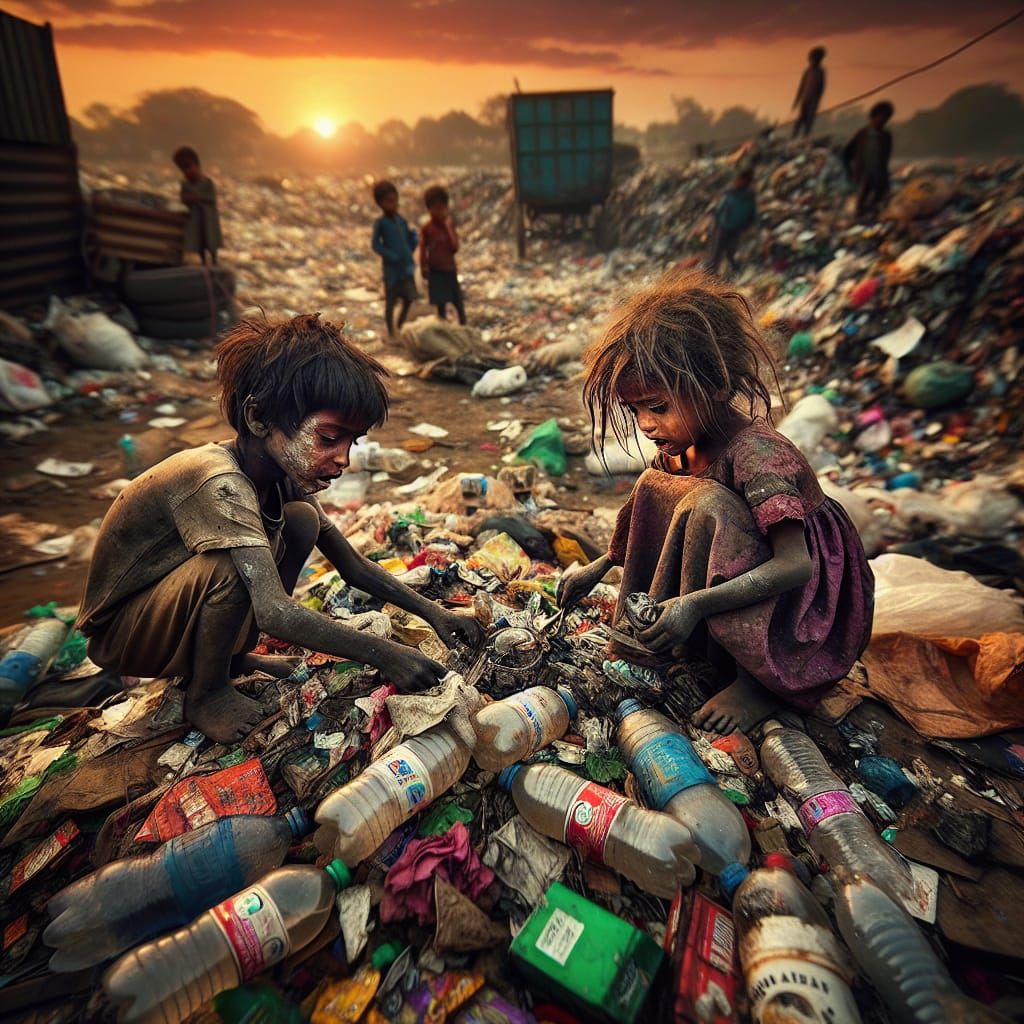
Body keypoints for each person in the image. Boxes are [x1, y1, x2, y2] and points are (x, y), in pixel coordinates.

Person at [76, 313, 482, 744]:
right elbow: (272, 611)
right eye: (328, 439)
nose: (343, 459)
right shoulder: (218, 480)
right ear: (258, 419)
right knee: (233, 569)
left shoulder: (278, 472)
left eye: (351, 443)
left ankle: (231, 659)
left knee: (302, 522)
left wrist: (436, 613)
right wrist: (385, 655)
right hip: (123, 635)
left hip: (169, 612)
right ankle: (207, 691)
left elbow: (353, 565)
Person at [556, 271, 874, 734]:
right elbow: (650, 504)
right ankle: (678, 643)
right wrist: (599, 566)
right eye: (636, 411)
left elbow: (795, 566)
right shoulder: (683, 444)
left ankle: (757, 685)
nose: (645, 424)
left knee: (709, 507)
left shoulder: (757, 453)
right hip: (739, 583)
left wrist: (695, 606)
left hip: (803, 612)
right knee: (654, 484)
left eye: (657, 407)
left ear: (716, 387)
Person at [371, 180, 418, 337]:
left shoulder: (401, 221)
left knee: (409, 298)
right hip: (392, 271)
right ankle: (391, 332)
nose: (393, 204)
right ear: (381, 204)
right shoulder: (381, 223)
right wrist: (390, 255)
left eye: (395, 200)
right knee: (390, 302)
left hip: (405, 268)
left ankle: (401, 324)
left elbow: (408, 242)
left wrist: (414, 241)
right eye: (389, 201)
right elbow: (376, 245)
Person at [419, 185, 466, 325]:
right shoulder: (427, 229)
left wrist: (447, 227)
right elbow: (423, 250)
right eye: (436, 208)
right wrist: (424, 267)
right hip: (436, 271)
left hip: (450, 270)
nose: (439, 211)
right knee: (441, 305)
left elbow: (455, 247)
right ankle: (443, 329)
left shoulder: (449, 227)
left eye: (442, 208)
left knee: (458, 302)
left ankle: (463, 327)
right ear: (429, 209)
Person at [843, 101, 895, 219]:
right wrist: (850, 171)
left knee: (878, 204)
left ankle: (872, 221)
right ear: (874, 116)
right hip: (863, 175)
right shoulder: (861, 135)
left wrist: (886, 177)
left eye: (886, 118)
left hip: (879, 175)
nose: (883, 121)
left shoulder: (886, 136)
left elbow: (885, 159)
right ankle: (860, 219)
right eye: (882, 117)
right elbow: (846, 154)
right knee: (861, 203)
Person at [172, 146, 222, 265]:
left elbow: (212, 199)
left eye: (189, 167)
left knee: (210, 240)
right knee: (199, 241)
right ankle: (203, 261)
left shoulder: (207, 183)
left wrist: (198, 198)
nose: (187, 172)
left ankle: (214, 260)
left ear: (197, 165)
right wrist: (189, 200)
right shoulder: (186, 184)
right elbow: (183, 199)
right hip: (195, 218)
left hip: (208, 218)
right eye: (183, 169)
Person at [707, 169, 757, 277]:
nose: (736, 181)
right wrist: (715, 226)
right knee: (717, 254)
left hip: (733, 229)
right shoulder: (731, 194)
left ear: (745, 181)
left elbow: (751, 215)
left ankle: (729, 275)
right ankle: (712, 276)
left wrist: (745, 228)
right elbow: (718, 211)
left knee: (729, 254)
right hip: (724, 228)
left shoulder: (747, 197)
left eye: (739, 180)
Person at [792, 46, 826, 139]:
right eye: (812, 58)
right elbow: (801, 87)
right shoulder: (807, 71)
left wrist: (817, 101)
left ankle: (805, 137)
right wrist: (796, 102)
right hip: (805, 99)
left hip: (813, 101)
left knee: (809, 121)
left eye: (816, 59)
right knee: (800, 119)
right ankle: (794, 136)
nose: (813, 61)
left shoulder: (821, 72)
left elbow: (821, 88)